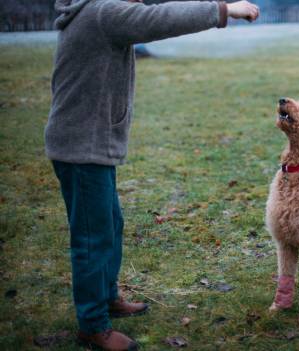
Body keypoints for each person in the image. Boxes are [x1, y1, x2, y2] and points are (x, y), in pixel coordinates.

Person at [45, 1, 259, 350]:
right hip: (81, 147)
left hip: (89, 142)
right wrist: (224, 10)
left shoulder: (96, 10)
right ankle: (92, 325)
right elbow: (160, 18)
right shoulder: (103, 12)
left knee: (109, 225)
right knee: (91, 239)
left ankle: (108, 296)